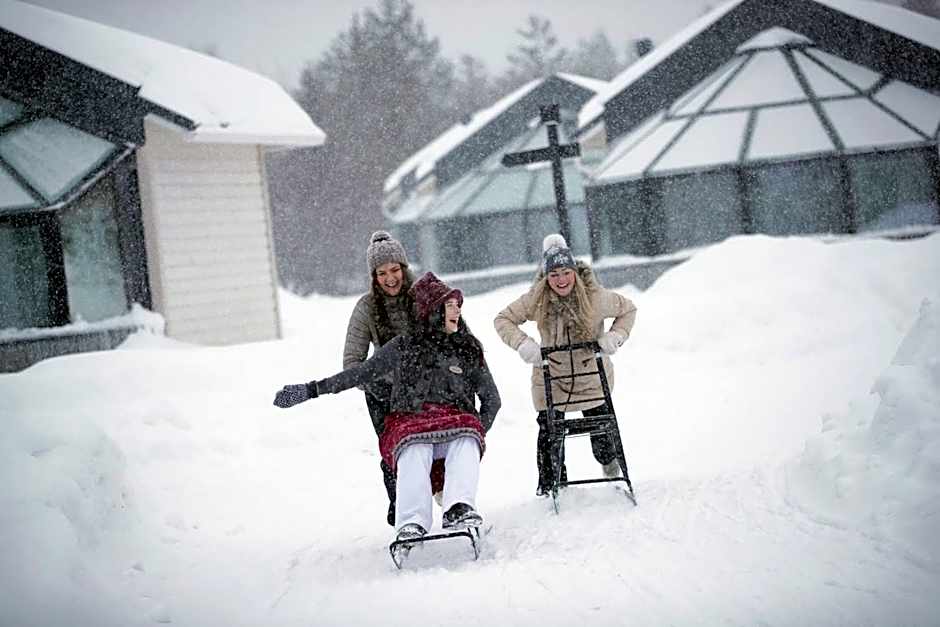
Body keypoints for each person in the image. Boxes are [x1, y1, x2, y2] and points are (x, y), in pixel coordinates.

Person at [274, 272, 501, 543]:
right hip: (411, 426)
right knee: (414, 447)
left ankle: (458, 508)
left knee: (466, 437)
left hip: (457, 427)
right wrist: (311, 390)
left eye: (457, 304)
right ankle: (412, 521)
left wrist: (477, 430)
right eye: (449, 305)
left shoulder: (468, 349)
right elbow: (359, 374)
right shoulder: (403, 347)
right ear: (431, 310)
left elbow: (492, 399)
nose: (457, 310)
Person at [494, 234, 637, 496]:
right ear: (546, 277)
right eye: (554, 275)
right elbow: (503, 319)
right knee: (549, 430)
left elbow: (628, 310)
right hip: (551, 378)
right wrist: (524, 345)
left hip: (591, 377)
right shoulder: (537, 299)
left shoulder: (595, 297)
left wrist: (615, 337)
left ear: (574, 271)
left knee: (602, 434)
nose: (560, 280)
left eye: (565, 272)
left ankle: (608, 460)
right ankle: (553, 483)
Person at [343, 230, 422, 525]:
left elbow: (450, 335)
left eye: (394, 270)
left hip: (428, 388)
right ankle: (400, 505)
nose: (390, 278)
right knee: (396, 451)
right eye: (381, 273)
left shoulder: (423, 296)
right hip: (384, 394)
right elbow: (352, 363)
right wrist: (379, 384)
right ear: (373, 277)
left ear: (404, 268)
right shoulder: (366, 308)